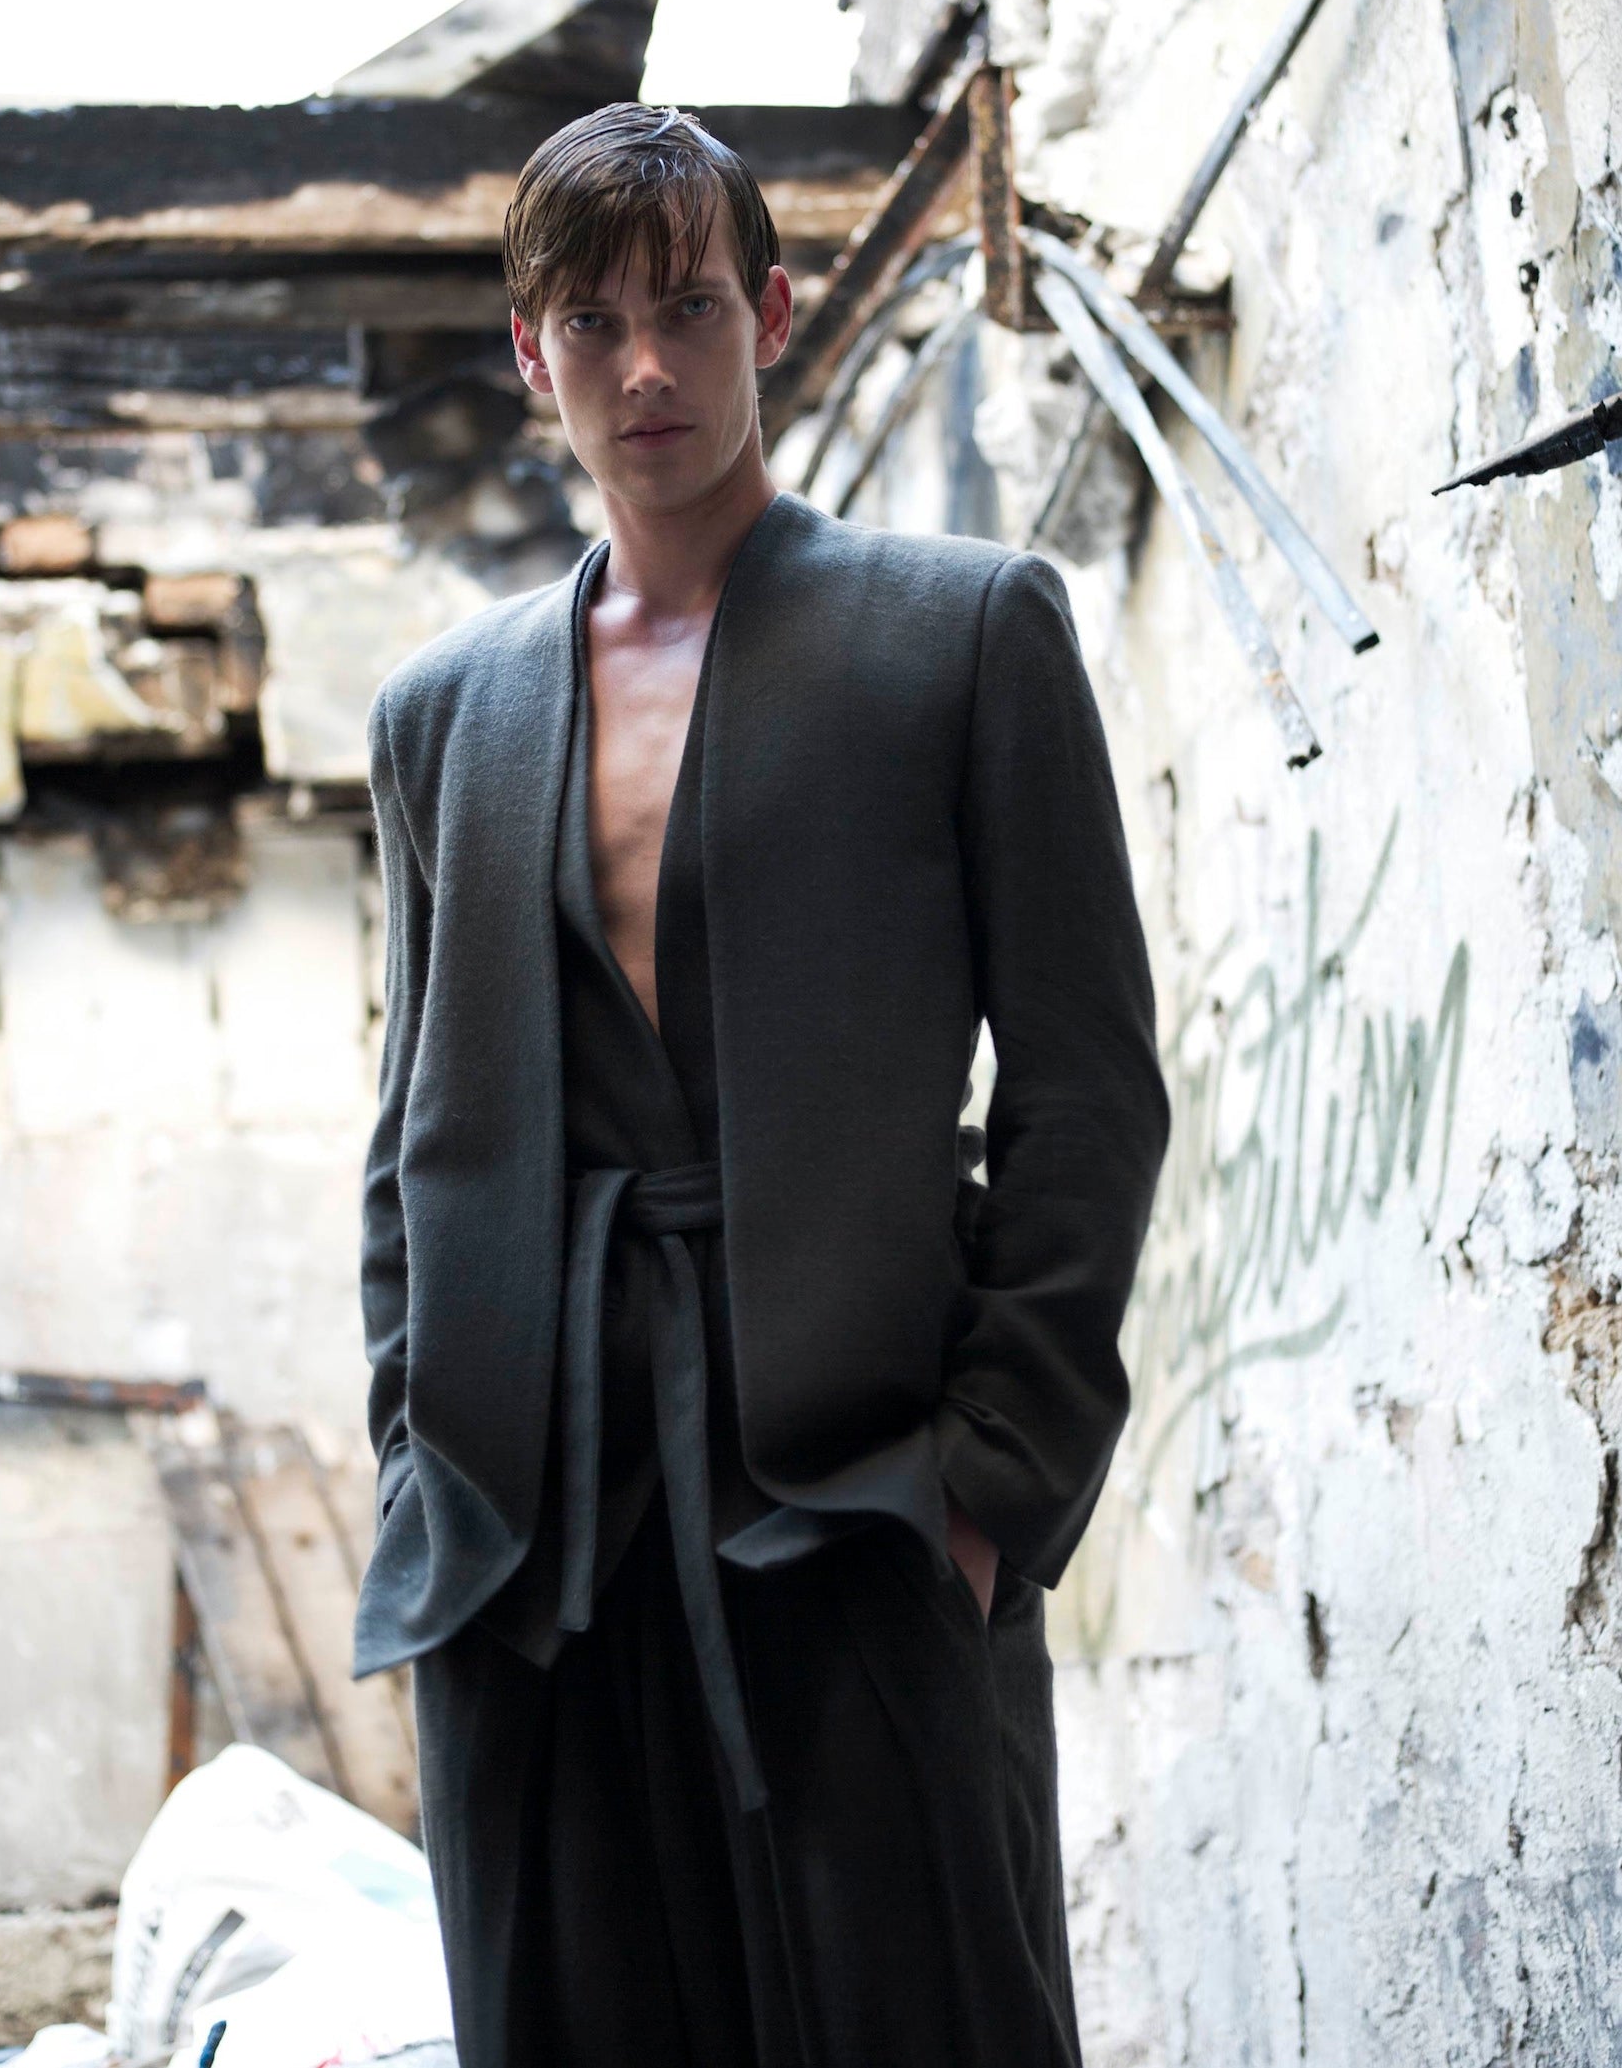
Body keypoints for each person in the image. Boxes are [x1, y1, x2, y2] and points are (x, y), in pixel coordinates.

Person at [354, 102, 1168, 2067]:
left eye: (691, 307)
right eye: (596, 321)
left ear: (771, 316)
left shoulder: (962, 635)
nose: (648, 364)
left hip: (858, 1497)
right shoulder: (442, 716)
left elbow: (1085, 1091)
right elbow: (410, 1146)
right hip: (531, 1529)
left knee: (923, 2020)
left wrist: (984, 1489)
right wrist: (417, 1460)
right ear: (531, 356)